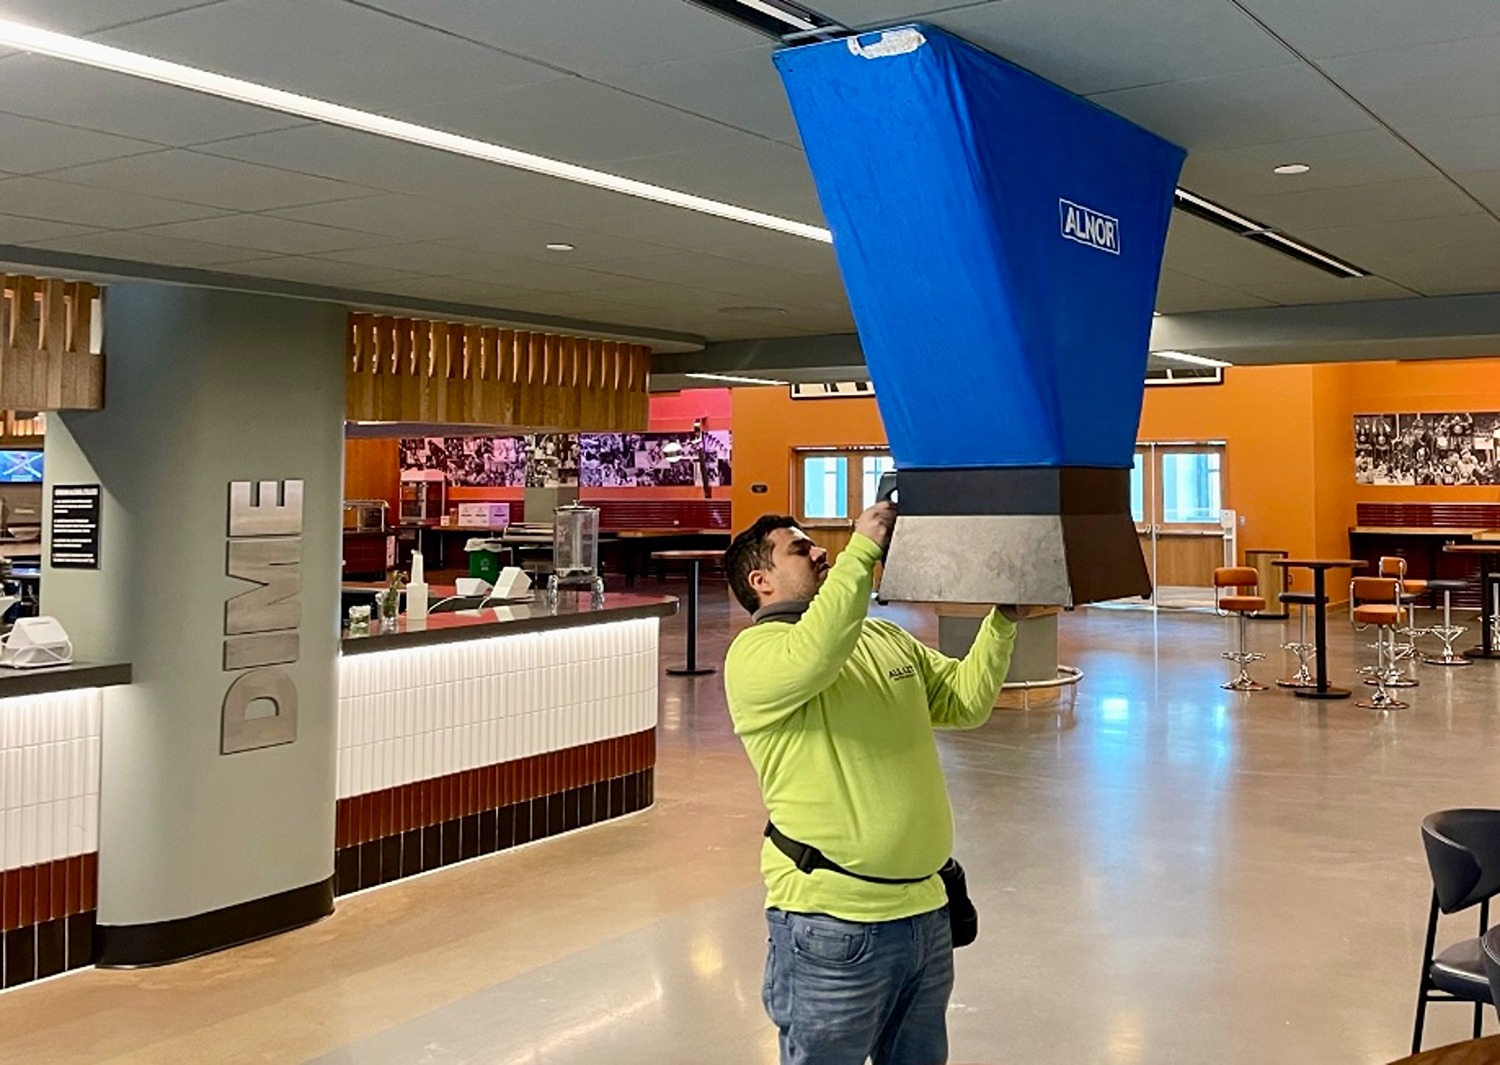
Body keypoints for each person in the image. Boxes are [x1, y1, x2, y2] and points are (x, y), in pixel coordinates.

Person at [722, 502, 1030, 1065]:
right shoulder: (756, 657)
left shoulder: (881, 641)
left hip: (924, 916)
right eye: (799, 548)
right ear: (759, 581)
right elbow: (814, 655)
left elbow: (965, 702)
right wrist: (862, 550)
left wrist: (1002, 620)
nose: (819, 550)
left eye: (817, 543)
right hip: (833, 930)